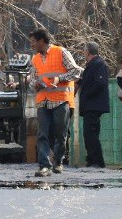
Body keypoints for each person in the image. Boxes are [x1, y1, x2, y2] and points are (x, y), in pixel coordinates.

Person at [29, 29, 82, 177]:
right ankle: (44, 166)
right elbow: (33, 78)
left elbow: (76, 71)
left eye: (33, 41)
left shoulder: (61, 52)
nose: (31, 45)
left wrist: (60, 78)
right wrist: (35, 84)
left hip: (60, 100)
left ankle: (58, 161)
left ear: (41, 41)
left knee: (61, 134)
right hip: (43, 101)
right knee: (42, 134)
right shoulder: (35, 59)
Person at [77, 42, 109, 168]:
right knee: (88, 133)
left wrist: (87, 94)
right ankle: (91, 159)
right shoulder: (92, 65)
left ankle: (97, 161)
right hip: (90, 105)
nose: (83, 53)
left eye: (84, 50)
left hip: (93, 105)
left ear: (88, 52)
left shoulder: (99, 64)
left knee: (91, 134)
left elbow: (99, 83)